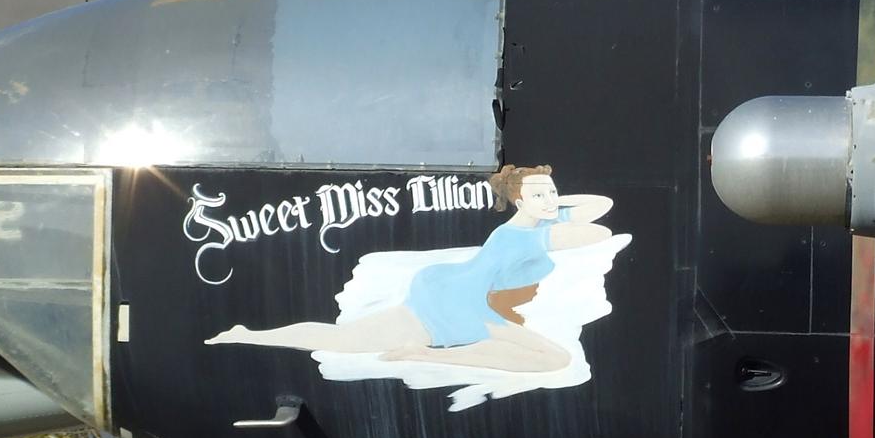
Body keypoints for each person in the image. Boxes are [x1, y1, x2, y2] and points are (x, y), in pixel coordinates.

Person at [208, 165, 613, 374]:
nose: (550, 200)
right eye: (538, 195)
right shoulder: (531, 234)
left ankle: (250, 335)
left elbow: (602, 206)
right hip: (463, 307)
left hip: (451, 292)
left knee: (343, 337)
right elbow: (600, 228)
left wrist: (543, 199)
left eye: (553, 193)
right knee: (555, 359)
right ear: (518, 200)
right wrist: (544, 204)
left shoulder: (532, 224)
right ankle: (429, 354)